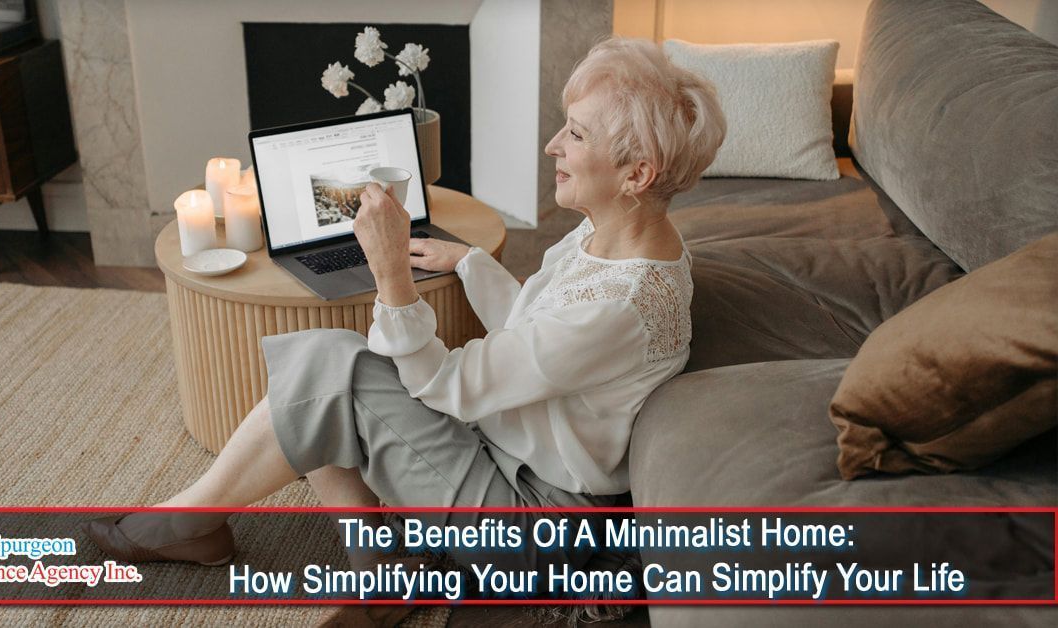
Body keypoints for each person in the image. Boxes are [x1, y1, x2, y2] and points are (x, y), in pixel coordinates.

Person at [83, 35, 725, 610]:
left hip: (530, 526)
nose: (553, 144)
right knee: (327, 363)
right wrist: (471, 262)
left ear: (637, 174)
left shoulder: (618, 306)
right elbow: (544, 331)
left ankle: (187, 522)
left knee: (334, 370)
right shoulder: (623, 239)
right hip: (513, 466)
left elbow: (446, 384)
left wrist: (390, 268)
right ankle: (332, 559)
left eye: (577, 135)